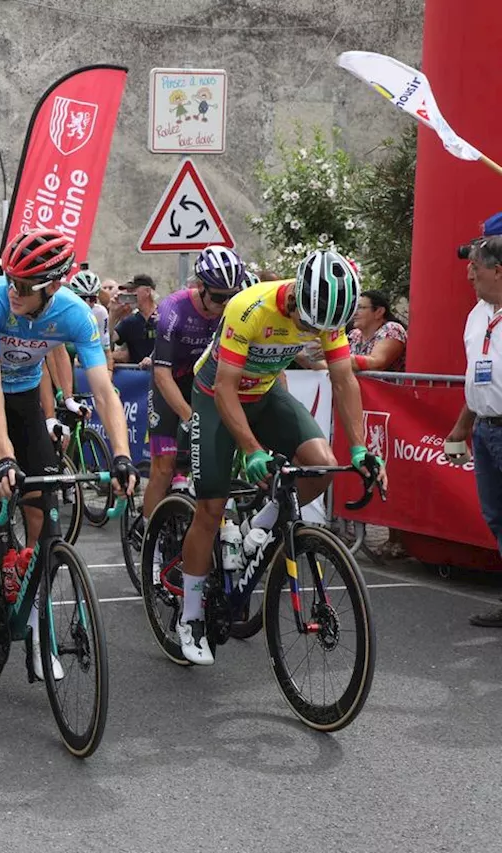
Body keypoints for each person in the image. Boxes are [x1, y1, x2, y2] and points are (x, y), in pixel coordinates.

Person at [180, 250, 387, 664]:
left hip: (265, 393)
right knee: (211, 506)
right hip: (215, 396)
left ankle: (264, 522)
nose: (314, 331)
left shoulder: (325, 316)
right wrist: (252, 450)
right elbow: (225, 388)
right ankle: (190, 617)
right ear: (295, 297)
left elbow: (344, 381)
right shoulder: (249, 307)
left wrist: (362, 449)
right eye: (309, 324)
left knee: (321, 464)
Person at [0, 227, 136, 678]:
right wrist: (7, 455)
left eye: (24, 286)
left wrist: (122, 455)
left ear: (53, 286)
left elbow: (105, 392)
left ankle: (36, 629)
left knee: (44, 518)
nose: (13, 291)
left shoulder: (75, 315)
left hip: (26, 395)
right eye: (11, 280)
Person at [143, 247, 246, 519]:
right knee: (163, 467)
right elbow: (161, 374)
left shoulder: (231, 312)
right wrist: (190, 417)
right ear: (200, 286)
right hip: (169, 381)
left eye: (232, 296)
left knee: (199, 465)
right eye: (218, 297)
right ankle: (147, 538)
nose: (226, 304)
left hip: (200, 383)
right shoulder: (173, 309)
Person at [443, 224, 502, 626]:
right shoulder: (475, 315)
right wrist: (460, 428)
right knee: (497, 518)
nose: (469, 273)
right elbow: (476, 377)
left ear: (498, 270)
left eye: (476, 267)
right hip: (484, 429)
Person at [347, 290, 407, 374]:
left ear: (379, 312)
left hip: (385, 387)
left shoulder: (392, 329)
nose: (354, 313)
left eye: (360, 308)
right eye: (353, 308)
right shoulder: (354, 334)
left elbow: (377, 363)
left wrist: (336, 358)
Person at [111, 274, 158, 366]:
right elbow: (109, 339)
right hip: (136, 375)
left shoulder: (165, 316)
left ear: (147, 291)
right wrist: (113, 314)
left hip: (160, 372)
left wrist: (153, 358)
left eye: (133, 291)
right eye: (128, 291)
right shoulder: (130, 321)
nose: (129, 295)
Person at [68, 269, 112, 365]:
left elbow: (106, 352)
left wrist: (108, 374)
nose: (87, 304)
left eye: (92, 299)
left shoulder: (100, 312)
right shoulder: (62, 312)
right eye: (83, 299)